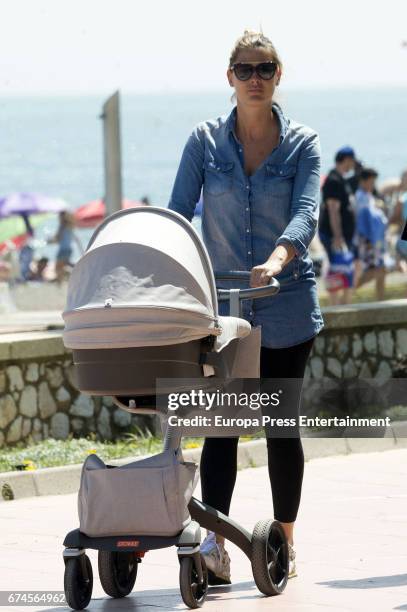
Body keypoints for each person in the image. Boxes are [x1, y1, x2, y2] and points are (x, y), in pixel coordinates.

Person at [168, 30, 324, 583]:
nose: (254, 79)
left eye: (265, 69)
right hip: (225, 307)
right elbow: (177, 213)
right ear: (229, 77)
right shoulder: (204, 142)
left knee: (281, 428)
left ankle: (283, 541)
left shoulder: (302, 143)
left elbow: (305, 214)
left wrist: (279, 259)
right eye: (244, 69)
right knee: (222, 427)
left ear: (279, 75)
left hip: (286, 304)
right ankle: (215, 543)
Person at [319, 147, 357, 304]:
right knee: (336, 272)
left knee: (345, 271)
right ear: (347, 159)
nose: (353, 165)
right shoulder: (334, 180)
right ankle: (335, 309)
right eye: (352, 161)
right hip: (334, 236)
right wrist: (337, 236)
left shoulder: (341, 179)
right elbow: (333, 210)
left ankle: (341, 306)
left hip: (341, 236)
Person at [354, 168, 388, 300]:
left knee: (381, 268)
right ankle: (351, 288)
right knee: (375, 270)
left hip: (376, 241)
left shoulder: (368, 196)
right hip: (368, 241)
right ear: (363, 181)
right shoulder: (360, 197)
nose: (373, 185)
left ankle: (381, 299)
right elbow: (364, 223)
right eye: (371, 182)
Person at [49, 211, 78, 283]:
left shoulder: (62, 226)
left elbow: (58, 238)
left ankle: (60, 281)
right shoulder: (70, 225)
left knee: (58, 267)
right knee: (65, 265)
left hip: (63, 249)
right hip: (69, 248)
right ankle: (63, 279)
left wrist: (49, 241)